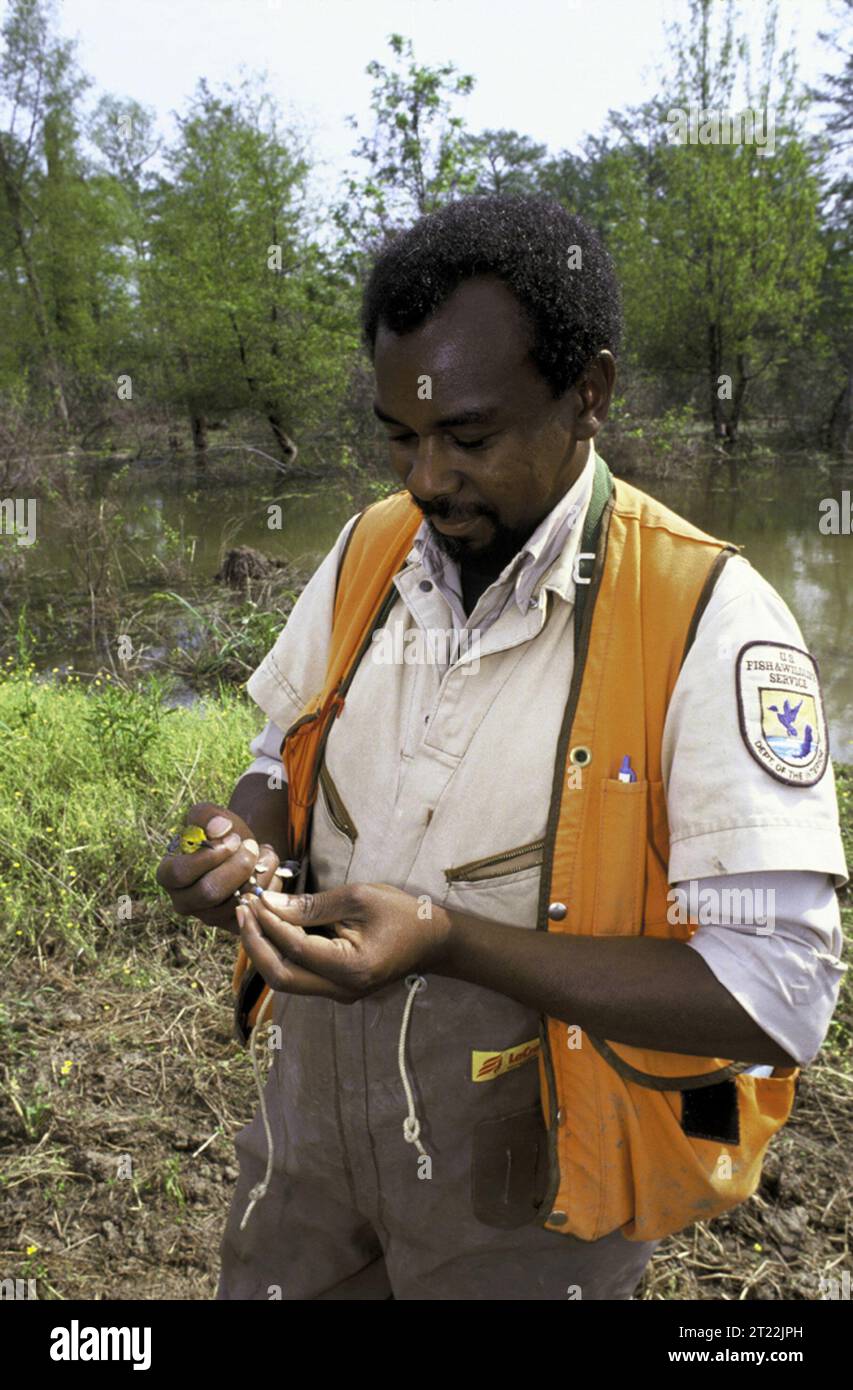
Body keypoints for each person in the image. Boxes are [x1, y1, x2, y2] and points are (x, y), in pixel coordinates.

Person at [157, 196, 848, 1301]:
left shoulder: (710, 619)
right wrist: (242, 831)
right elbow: (281, 744)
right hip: (314, 1127)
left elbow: (775, 991)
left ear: (591, 394)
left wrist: (445, 940)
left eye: (469, 436)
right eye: (399, 435)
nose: (426, 478)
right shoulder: (375, 547)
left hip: (533, 1163)